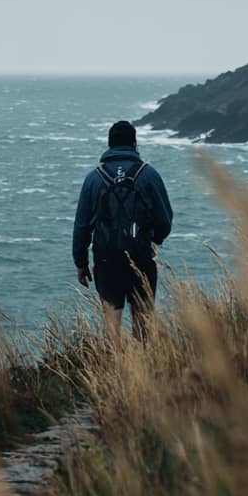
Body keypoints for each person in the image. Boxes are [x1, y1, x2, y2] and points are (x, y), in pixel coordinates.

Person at [72, 120, 173, 342]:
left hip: (106, 259)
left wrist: (80, 263)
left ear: (109, 145)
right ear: (135, 144)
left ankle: (115, 368)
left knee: (111, 320)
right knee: (143, 319)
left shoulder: (93, 178)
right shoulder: (149, 174)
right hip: (141, 257)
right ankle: (144, 368)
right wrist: (153, 240)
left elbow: (81, 226)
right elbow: (165, 220)